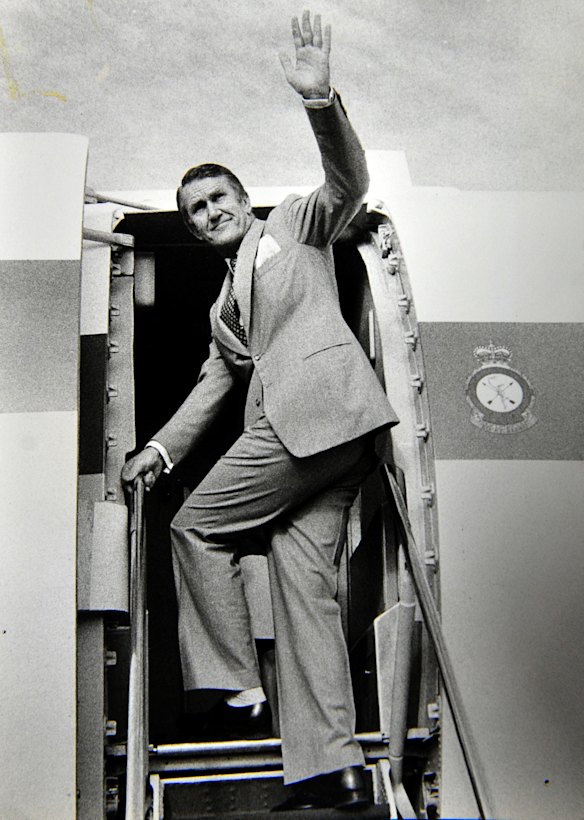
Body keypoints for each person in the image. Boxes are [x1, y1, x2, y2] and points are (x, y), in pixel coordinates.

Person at [122, 10, 398, 812]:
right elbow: (214, 384)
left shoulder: (291, 230)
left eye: (218, 198)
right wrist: (159, 452)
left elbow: (347, 183)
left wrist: (320, 101)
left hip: (312, 420)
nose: (211, 214)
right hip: (336, 443)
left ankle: (233, 681)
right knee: (300, 581)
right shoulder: (222, 312)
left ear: (245, 199)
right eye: (196, 212)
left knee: (193, 527)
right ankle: (330, 765)